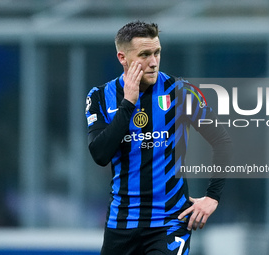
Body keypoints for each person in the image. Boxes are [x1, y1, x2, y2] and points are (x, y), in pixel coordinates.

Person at [85, 21, 232, 255]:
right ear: (122, 58)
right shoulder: (100, 97)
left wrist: (212, 197)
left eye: (157, 53)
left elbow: (222, 141)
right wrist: (128, 104)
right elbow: (100, 154)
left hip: (169, 223)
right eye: (144, 54)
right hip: (121, 224)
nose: (153, 62)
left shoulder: (182, 91)